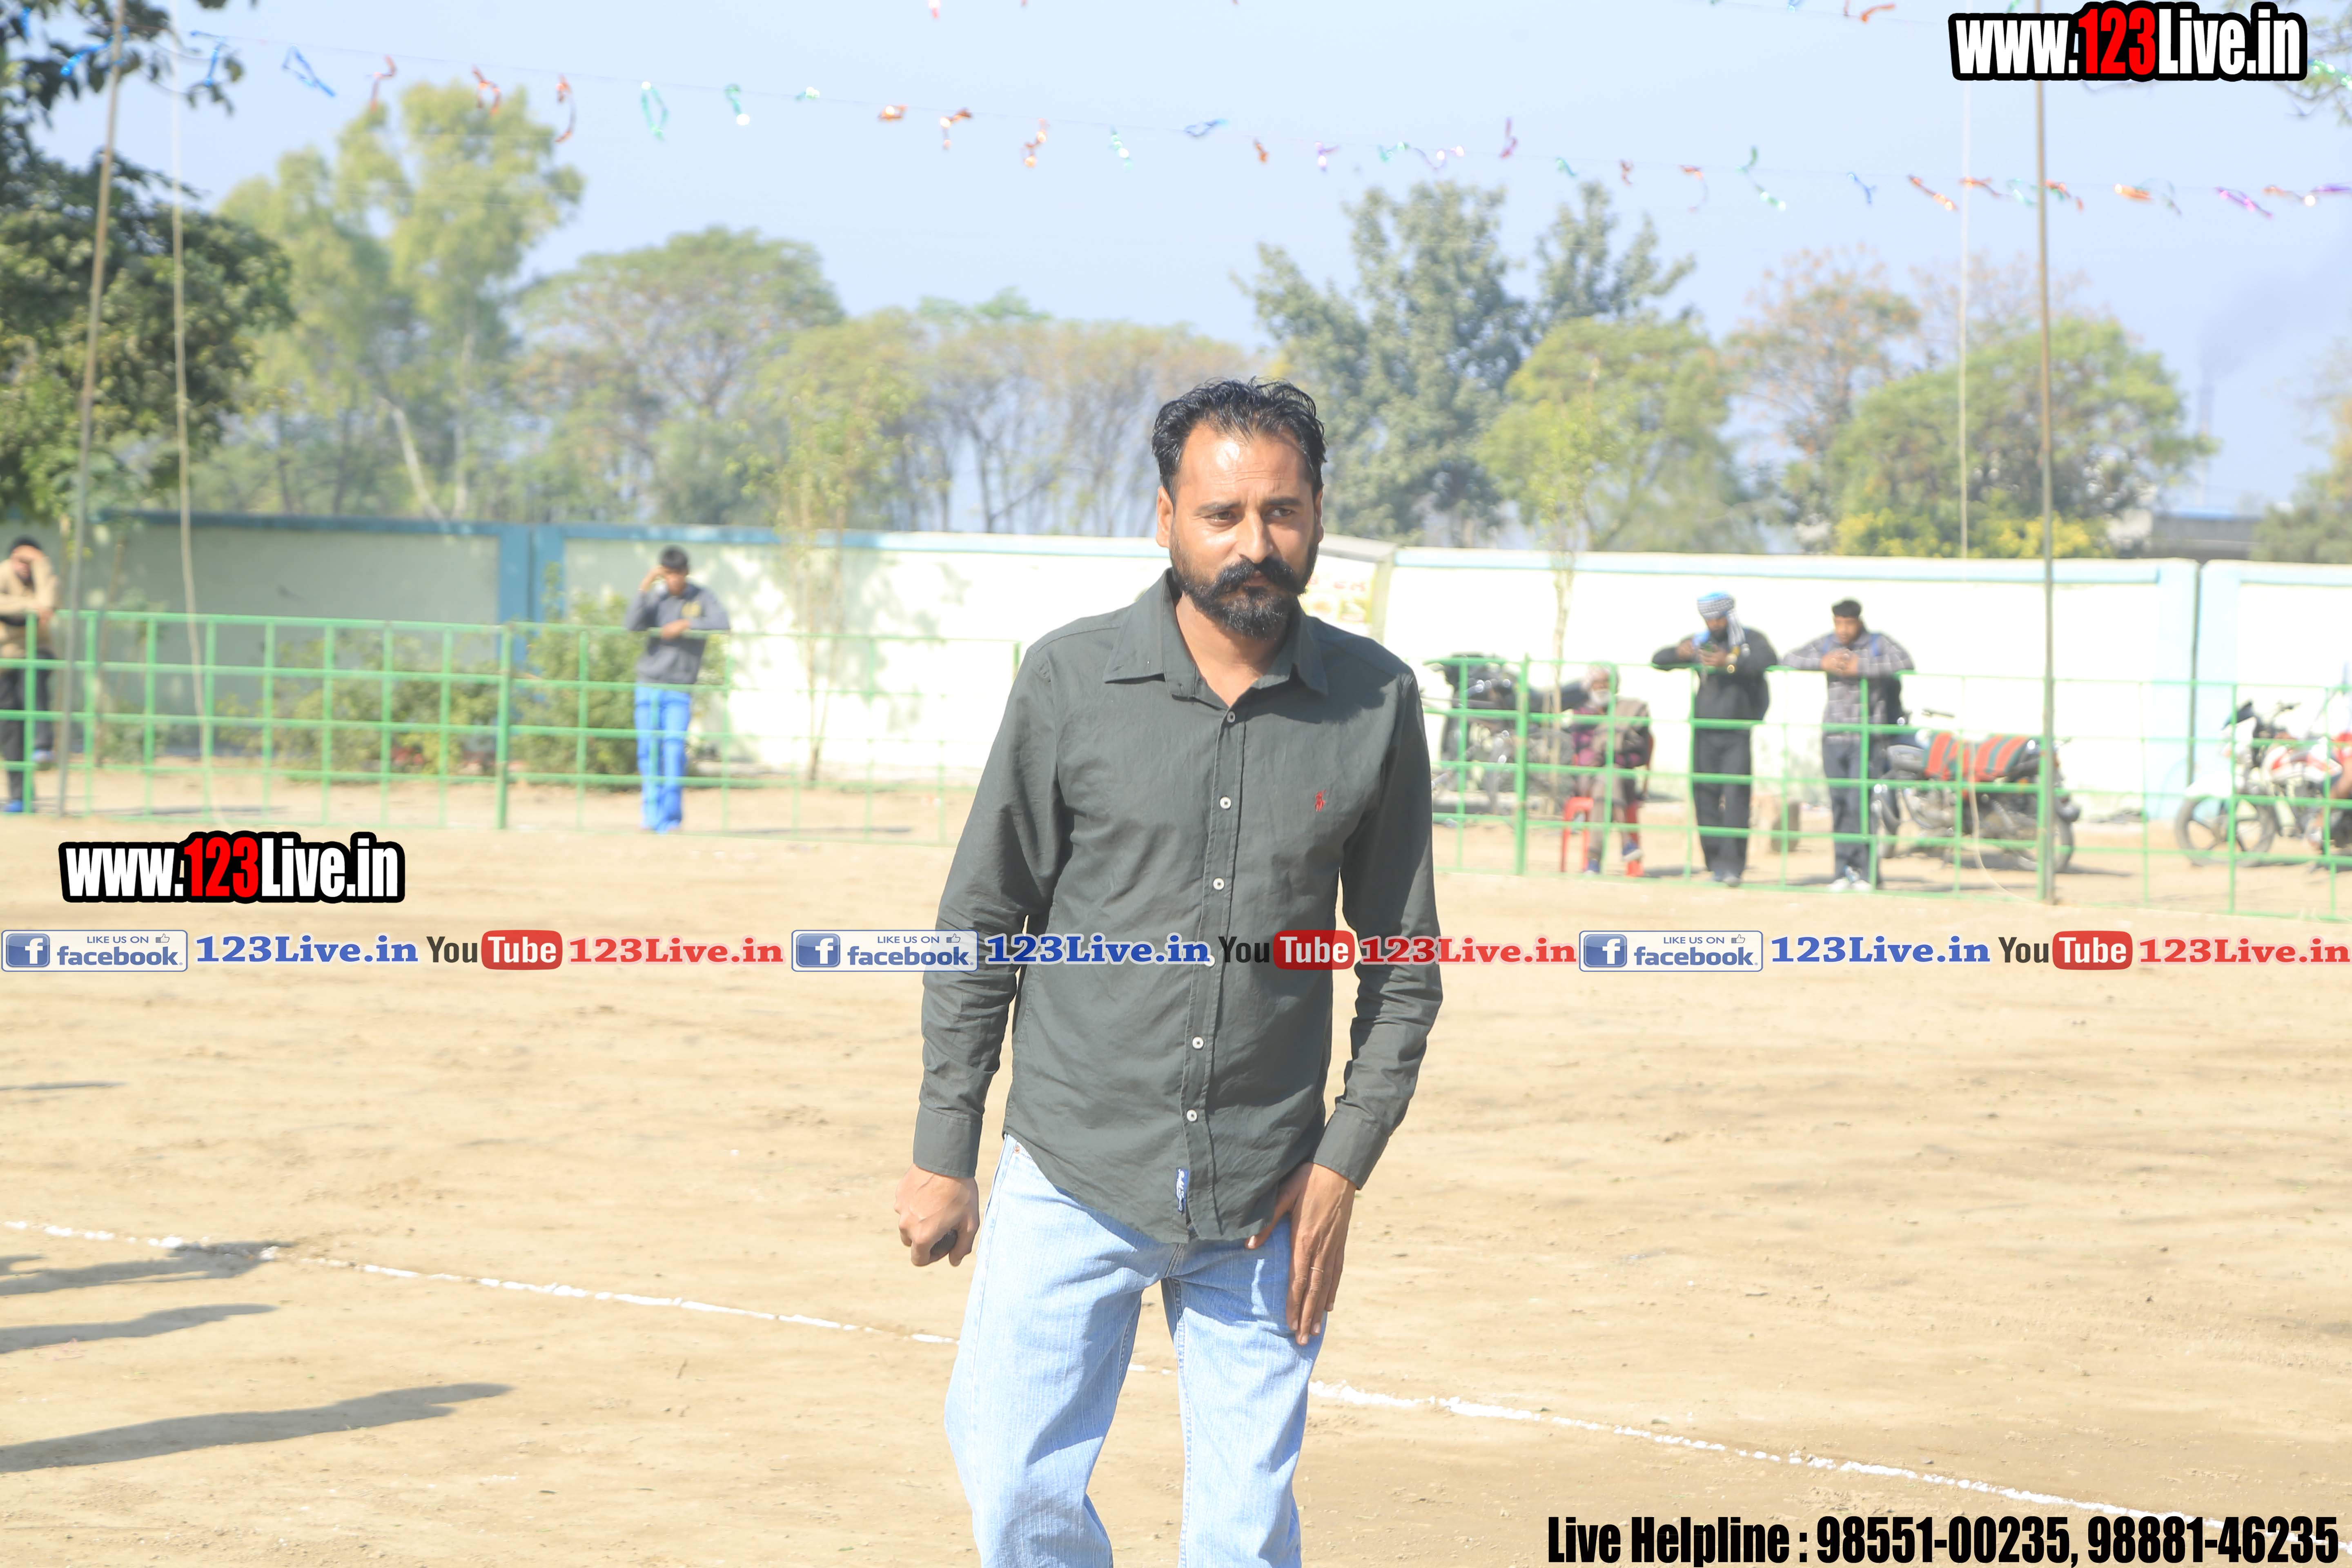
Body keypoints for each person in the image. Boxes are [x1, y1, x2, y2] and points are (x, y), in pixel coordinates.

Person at [895, 379, 1441, 1568]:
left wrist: (1342, 1161)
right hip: (1075, 1161)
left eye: (1282, 511)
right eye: (1222, 512)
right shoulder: (1069, 680)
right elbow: (984, 920)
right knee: (1012, 1483)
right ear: (1165, 518)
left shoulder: (1375, 701)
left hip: (1267, 1188)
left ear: (1316, 514)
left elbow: (1403, 964)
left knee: (1243, 1538)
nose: (1255, 542)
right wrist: (945, 1146)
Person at [1783, 597, 1915, 891]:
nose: (1843, 630)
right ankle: (1843, 871)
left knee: (1860, 805)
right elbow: (1788, 658)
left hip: (1866, 737)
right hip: (1833, 736)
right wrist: (1822, 663)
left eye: (1849, 623)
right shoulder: (1827, 644)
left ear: (1859, 622)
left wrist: (1861, 667)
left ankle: (1868, 873)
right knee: (1840, 805)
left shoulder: (1877, 643)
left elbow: (1906, 662)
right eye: (1838, 623)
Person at [1652, 591, 1775, 886]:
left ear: (1729, 616)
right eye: (1708, 619)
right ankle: (1716, 864)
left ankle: (1733, 867)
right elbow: (1659, 660)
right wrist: (1680, 654)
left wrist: (1729, 662)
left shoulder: (1748, 640)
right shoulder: (1701, 641)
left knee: (1736, 798)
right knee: (1704, 796)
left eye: (1718, 618)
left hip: (1736, 732)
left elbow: (1768, 659)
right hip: (1704, 730)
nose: (1714, 624)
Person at [625, 547, 730, 833]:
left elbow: (723, 622)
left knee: (673, 752)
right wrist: (646, 585)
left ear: (686, 572)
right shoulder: (656, 598)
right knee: (649, 751)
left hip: (680, 688)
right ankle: (651, 818)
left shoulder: (701, 597)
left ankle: (671, 821)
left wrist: (686, 624)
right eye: (668, 574)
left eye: (678, 574)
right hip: (649, 685)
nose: (673, 579)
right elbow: (631, 625)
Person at [1561, 662, 1652, 875]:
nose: (1602, 687)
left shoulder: (1628, 711)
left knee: (1608, 778)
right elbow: (1584, 753)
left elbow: (1639, 754)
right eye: (1597, 683)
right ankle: (1626, 841)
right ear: (1589, 686)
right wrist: (1610, 752)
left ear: (1615, 685)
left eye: (1606, 682)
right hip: (1589, 779)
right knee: (1607, 777)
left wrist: (1611, 757)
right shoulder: (1582, 714)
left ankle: (1594, 860)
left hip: (1621, 777)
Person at [0, 537, 57, 814]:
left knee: (33, 682)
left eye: (30, 561)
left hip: (36, 651)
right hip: (4, 659)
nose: (25, 566)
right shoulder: (2, 574)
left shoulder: (45, 578)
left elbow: (49, 603)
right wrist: (29, 606)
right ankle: (20, 797)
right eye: (21, 560)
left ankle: (43, 745)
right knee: (10, 728)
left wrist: (41, 565)